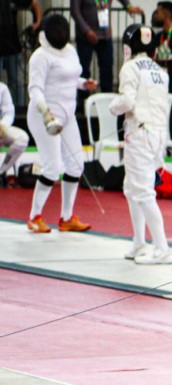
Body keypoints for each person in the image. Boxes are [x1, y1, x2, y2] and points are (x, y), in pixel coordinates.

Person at [25, 14, 96, 234]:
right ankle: (34, 217)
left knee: (76, 166)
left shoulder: (70, 51)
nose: (60, 34)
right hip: (44, 117)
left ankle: (66, 218)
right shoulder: (40, 56)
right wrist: (46, 112)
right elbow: (35, 89)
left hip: (67, 116)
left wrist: (84, 84)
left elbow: (71, 77)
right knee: (53, 168)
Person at [109, 23, 172, 264]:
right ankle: (139, 242)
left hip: (140, 134)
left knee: (144, 193)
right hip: (157, 135)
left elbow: (127, 101)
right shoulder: (160, 71)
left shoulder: (130, 68)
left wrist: (112, 107)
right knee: (132, 189)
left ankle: (163, 248)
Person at [70, 0, 143, 95]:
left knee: (107, 69)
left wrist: (128, 6)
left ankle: (107, 98)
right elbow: (75, 11)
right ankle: (83, 102)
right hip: (85, 37)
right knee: (83, 69)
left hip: (105, 35)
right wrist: (87, 31)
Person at [0, 0, 41, 107]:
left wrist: (37, 23)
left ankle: (19, 110)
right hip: (11, 46)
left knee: (17, 84)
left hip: (12, 46)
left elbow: (34, 3)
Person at [0, 79, 28, 182]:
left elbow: (9, 112)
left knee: (22, 138)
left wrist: (3, 125)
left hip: (0, 129)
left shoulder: (2, 88)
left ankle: (2, 171)